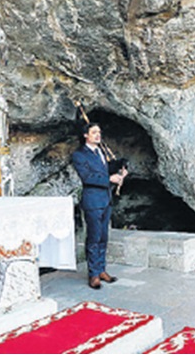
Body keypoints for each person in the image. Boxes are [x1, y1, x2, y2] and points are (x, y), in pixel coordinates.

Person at [72, 122, 127, 290]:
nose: (98, 135)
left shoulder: (100, 151)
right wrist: (109, 179)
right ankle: (93, 274)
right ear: (85, 135)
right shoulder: (79, 155)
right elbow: (87, 177)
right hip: (93, 201)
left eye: (99, 132)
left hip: (105, 199)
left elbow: (104, 169)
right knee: (94, 238)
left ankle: (101, 270)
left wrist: (119, 164)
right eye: (94, 132)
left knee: (103, 237)